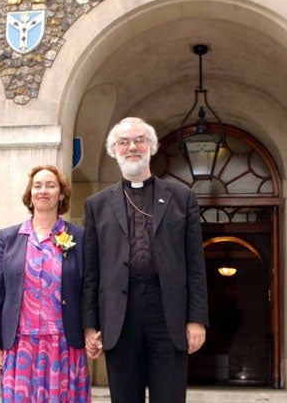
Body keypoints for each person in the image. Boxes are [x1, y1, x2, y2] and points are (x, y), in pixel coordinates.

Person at [82, 117, 209, 403]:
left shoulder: (182, 197)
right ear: (114, 150)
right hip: (119, 315)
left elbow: (195, 264)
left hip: (168, 312)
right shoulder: (97, 204)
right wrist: (90, 325)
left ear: (151, 147)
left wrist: (196, 319)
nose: (132, 147)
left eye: (139, 140)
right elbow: (92, 272)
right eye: (123, 142)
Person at [0, 164, 91, 403]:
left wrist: (92, 329)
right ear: (30, 194)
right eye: (38, 185)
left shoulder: (79, 237)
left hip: (64, 344)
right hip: (19, 344)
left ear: (61, 194)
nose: (44, 190)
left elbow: (88, 289)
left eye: (51, 185)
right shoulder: (8, 238)